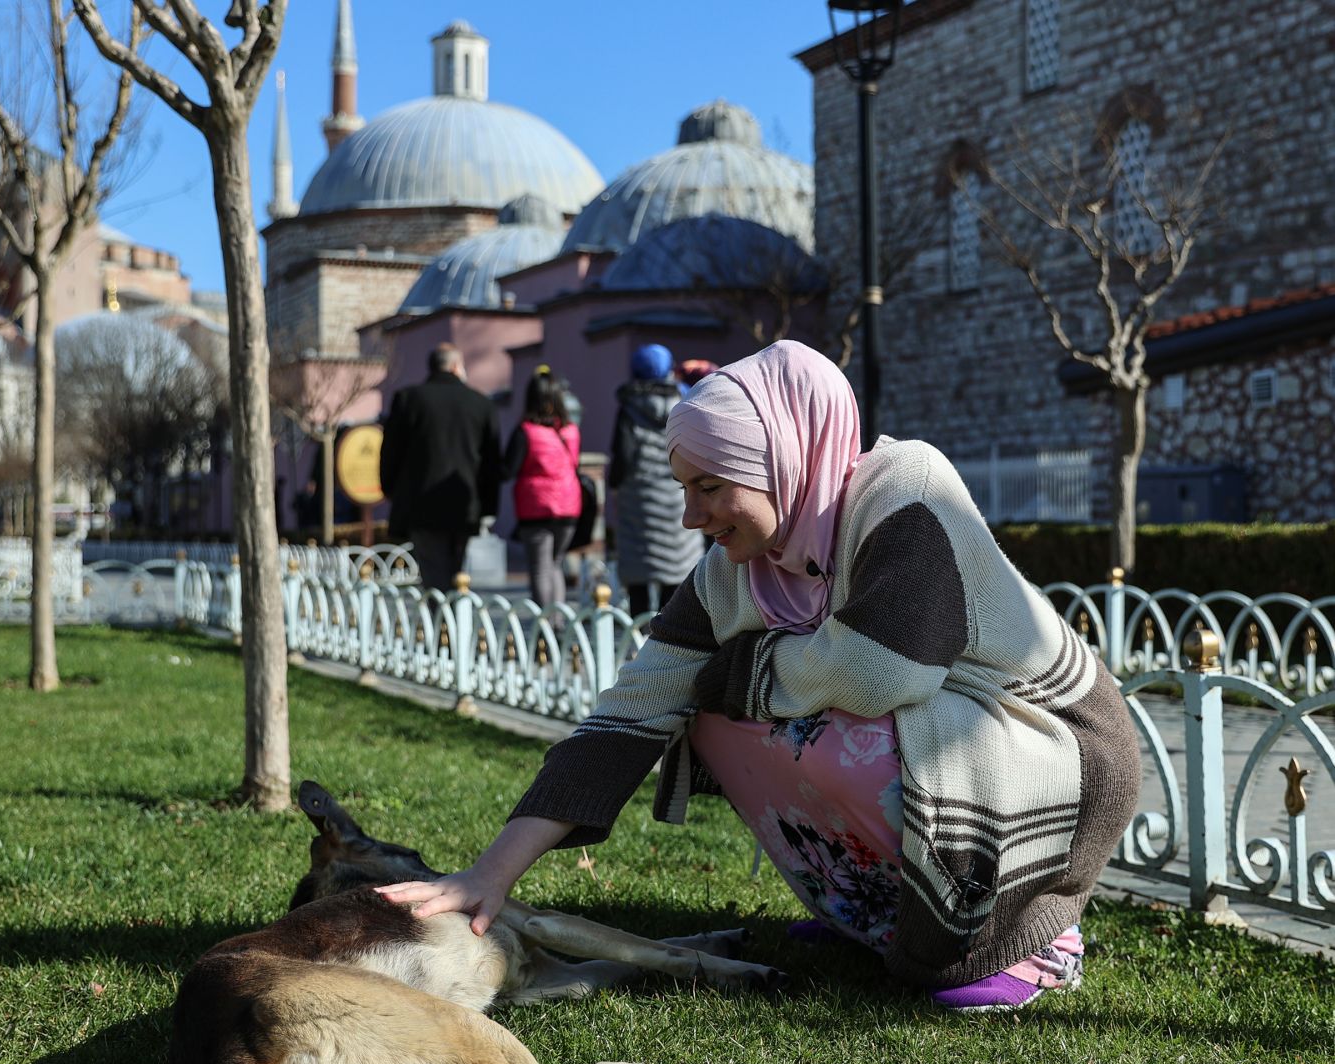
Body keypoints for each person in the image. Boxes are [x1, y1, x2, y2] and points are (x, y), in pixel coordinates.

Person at [380, 340, 1141, 1014]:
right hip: (960, 741)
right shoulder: (738, 571)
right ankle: (881, 921)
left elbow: (882, 673)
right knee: (714, 713)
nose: (690, 517)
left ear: (778, 458)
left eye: (710, 487)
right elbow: (630, 711)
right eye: (683, 489)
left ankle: (1034, 939)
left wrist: (744, 671)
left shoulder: (905, 488)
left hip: (1056, 749)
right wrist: (488, 874)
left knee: (819, 721)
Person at [379, 344, 502, 591]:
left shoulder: (408, 400)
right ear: (457, 366)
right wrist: (487, 506)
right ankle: (453, 621)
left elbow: (391, 452)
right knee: (457, 569)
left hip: (421, 503)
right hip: (465, 503)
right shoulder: (480, 403)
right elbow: (491, 463)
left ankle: (442, 623)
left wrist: (391, 490)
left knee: (433, 572)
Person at [609, 344, 705, 615]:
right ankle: (670, 634)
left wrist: (615, 484)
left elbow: (623, 456)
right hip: (677, 495)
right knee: (675, 569)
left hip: (639, 499)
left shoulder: (628, 407)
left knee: (640, 571)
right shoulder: (684, 401)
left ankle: (637, 634)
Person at [502, 371, 582, 609]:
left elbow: (508, 470)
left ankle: (545, 627)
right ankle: (558, 622)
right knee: (555, 563)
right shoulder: (571, 430)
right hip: (569, 506)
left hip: (536, 508)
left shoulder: (525, 431)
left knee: (539, 567)